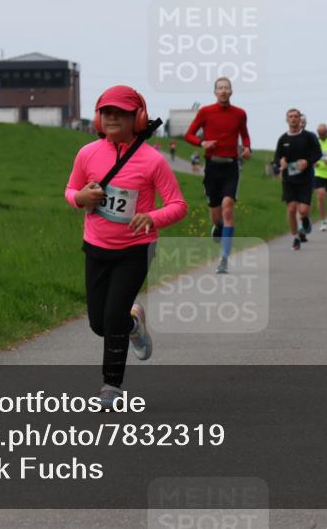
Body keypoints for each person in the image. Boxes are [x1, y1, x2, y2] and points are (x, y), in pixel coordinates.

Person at [65, 85, 188, 409]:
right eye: (106, 112)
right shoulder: (87, 154)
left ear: (138, 118)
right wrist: (80, 198)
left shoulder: (152, 161)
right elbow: (71, 190)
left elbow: (178, 204)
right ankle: (134, 324)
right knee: (99, 324)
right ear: (97, 117)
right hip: (96, 247)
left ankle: (111, 386)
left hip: (135, 250)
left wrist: (152, 217)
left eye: (120, 113)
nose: (112, 118)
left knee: (113, 313)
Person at [184, 77, 252, 274]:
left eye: (226, 88)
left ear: (231, 92)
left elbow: (245, 135)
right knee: (216, 215)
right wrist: (201, 143)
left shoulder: (240, 114)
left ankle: (224, 258)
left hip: (231, 166)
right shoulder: (205, 111)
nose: (223, 91)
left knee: (228, 208)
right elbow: (189, 134)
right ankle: (218, 226)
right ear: (215, 92)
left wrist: (247, 148)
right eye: (220, 88)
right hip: (212, 167)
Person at [275, 109, 322, 250]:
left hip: (305, 179)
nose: (293, 119)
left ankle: (305, 219)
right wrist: (280, 162)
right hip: (289, 179)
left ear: (299, 119)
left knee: (303, 210)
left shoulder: (308, 137)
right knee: (291, 208)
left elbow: (317, 153)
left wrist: (307, 162)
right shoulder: (283, 139)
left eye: (296, 116)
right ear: (287, 120)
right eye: (291, 117)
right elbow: (277, 158)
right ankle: (295, 238)